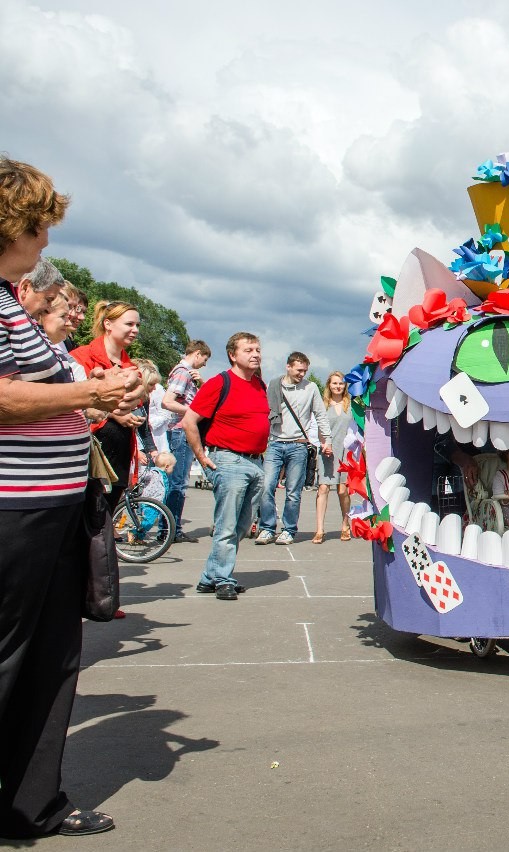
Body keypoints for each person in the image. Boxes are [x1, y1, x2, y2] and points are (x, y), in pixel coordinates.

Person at [1, 155, 142, 838]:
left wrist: (110, 394)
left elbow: (47, 388)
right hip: (14, 507)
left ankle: (31, 802)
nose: (46, 242)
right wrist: (90, 391)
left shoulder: (11, 305)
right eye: (38, 227)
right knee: (10, 653)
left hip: (52, 504)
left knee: (51, 656)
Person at [181, 332, 269, 601]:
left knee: (243, 526)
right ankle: (222, 578)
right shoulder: (220, 383)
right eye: (248, 350)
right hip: (228, 459)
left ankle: (209, 577)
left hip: (255, 461)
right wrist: (200, 455)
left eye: (257, 349)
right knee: (227, 525)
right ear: (233, 354)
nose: (255, 354)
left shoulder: (259, 385)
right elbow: (189, 421)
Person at [69, 301, 143, 513]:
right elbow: (73, 402)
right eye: (129, 324)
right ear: (108, 324)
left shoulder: (131, 367)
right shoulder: (81, 357)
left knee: (104, 520)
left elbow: (134, 402)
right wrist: (114, 414)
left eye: (137, 325)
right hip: (89, 453)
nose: (135, 330)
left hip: (119, 453)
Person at [256, 352, 330, 546]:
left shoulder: (311, 387)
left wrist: (326, 439)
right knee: (266, 486)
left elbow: (320, 415)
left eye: (305, 371)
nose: (302, 374)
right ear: (288, 367)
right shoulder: (274, 385)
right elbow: (262, 412)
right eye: (299, 370)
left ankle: (289, 529)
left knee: (293, 492)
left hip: (298, 444)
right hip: (275, 442)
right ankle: (267, 527)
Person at [159, 340, 212, 543]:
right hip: (181, 430)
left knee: (178, 482)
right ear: (197, 354)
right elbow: (167, 401)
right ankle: (171, 529)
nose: (204, 364)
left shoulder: (185, 373)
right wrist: (192, 412)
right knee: (178, 483)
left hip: (182, 430)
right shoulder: (183, 372)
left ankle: (171, 527)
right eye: (204, 360)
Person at [314, 371, 355, 542]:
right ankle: (319, 530)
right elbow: (315, 427)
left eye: (341, 383)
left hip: (346, 451)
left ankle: (345, 525)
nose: (338, 386)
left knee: (342, 490)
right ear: (329, 386)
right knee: (323, 488)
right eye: (334, 383)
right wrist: (323, 444)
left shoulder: (351, 405)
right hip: (327, 450)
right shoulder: (322, 405)